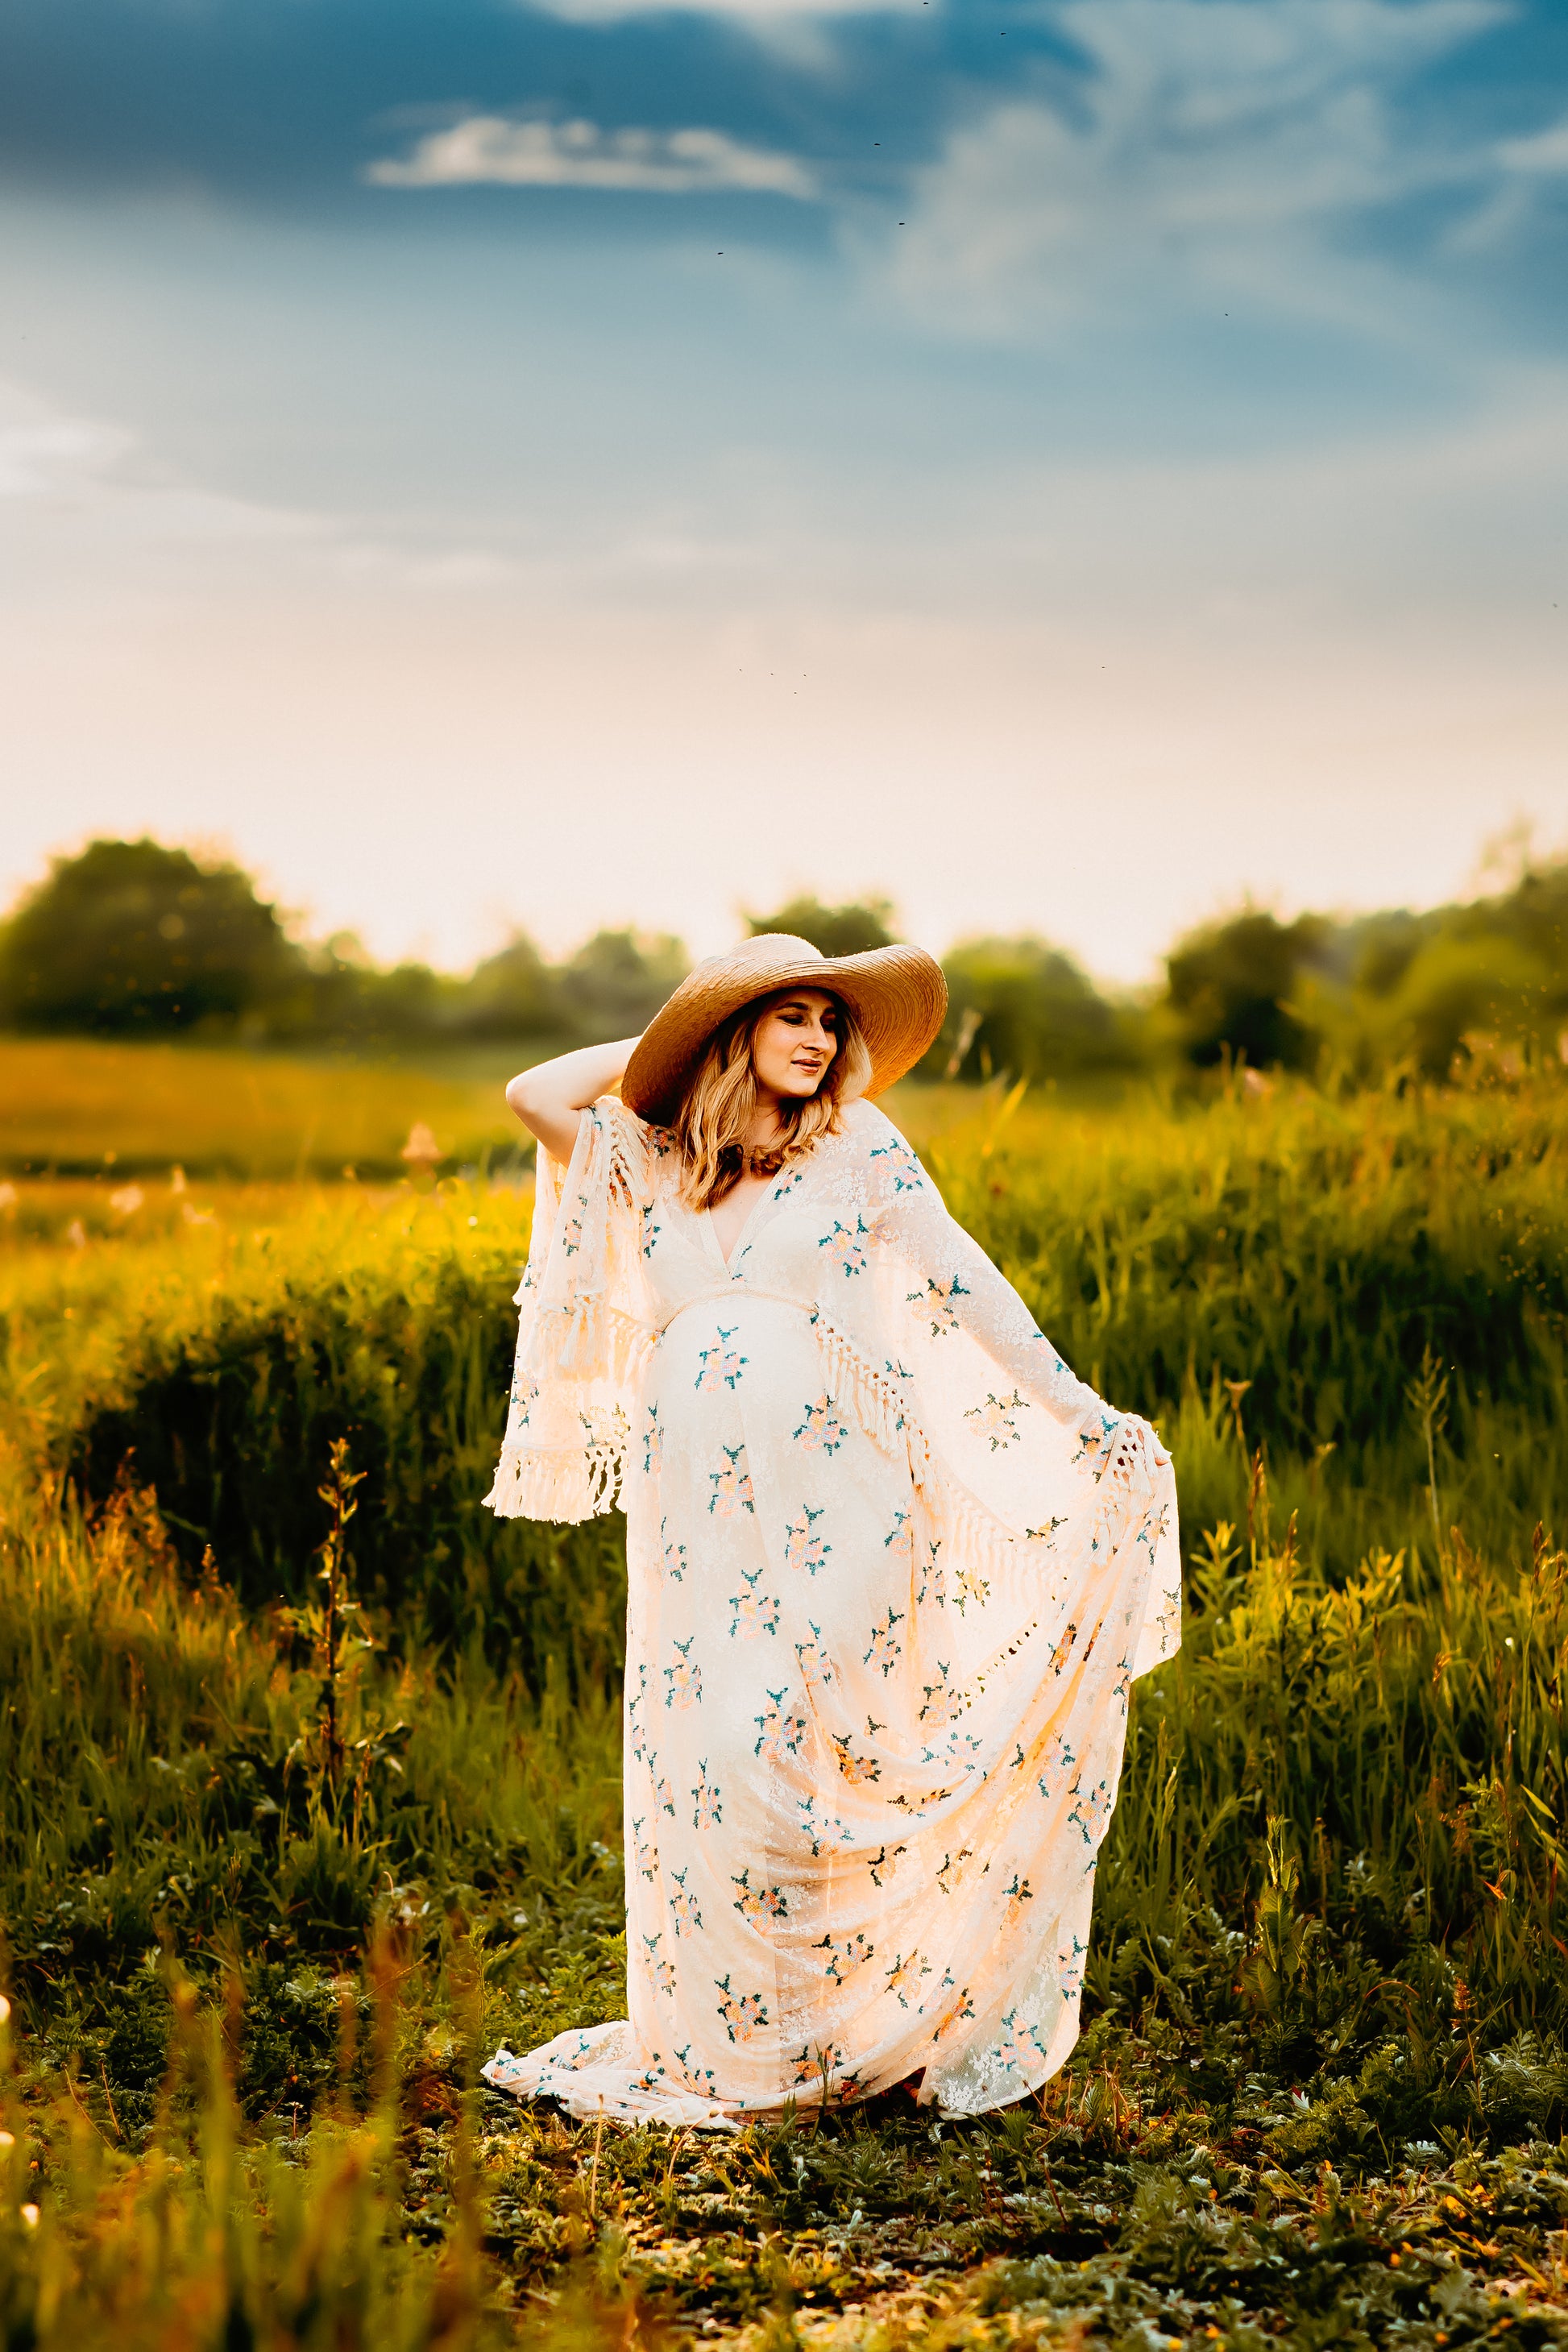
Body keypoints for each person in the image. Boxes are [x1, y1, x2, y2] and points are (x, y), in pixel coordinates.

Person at [482, 932, 1179, 2128]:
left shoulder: (856, 1148)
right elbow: (533, 1092)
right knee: (709, 1761)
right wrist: (667, 1047)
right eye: (788, 1015)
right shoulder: (642, 1158)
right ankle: (735, 2047)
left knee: (809, 1752)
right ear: (730, 1032)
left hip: (841, 1499)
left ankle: (850, 2039)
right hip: (695, 1521)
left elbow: (964, 1283)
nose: (816, 1039)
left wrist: (1081, 1411)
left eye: (828, 1021)